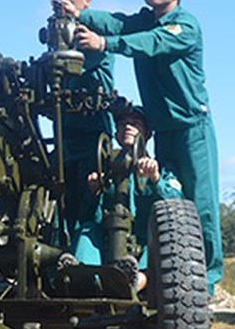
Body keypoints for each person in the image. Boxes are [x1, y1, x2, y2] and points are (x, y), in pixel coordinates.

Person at [57, 0, 222, 294]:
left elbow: (152, 42)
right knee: (167, 202)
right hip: (163, 131)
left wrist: (106, 44)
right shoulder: (143, 20)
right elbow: (116, 22)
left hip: (192, 129)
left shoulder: (184, 25)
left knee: (200, 207)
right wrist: (77, 14)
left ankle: (207, 283)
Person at [72, 104, 184, 291]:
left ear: (148, 133)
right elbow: (87, 215)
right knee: (87, 230)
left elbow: (178, 204)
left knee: (161, 239)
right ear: (115, 134)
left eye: (135, 123)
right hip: (108, 242)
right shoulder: (105, 171)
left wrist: (155, 179)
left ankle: (133, 283)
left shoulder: (162, 170)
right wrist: (93, 192)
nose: (128, 126)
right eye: (122, 123)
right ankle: (81, 273)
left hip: (143, 243)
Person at [45, 0, 115, 244]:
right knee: (63, 205)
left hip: (93, 136)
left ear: (86, 1)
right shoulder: (54, 39)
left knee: (92, 207)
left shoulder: (93, 36)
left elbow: (71, 66)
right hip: (65, 138)